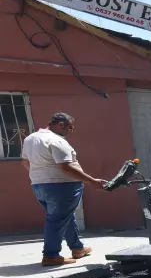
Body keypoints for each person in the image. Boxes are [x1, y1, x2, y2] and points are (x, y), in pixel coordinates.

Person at [20, 113, 108, 266]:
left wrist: (41, 176)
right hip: (62, 186)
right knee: (57, 220)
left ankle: (77, 248)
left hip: (39, 185)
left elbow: (25, 162)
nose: (71, 130)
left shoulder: (30, 139)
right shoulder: (57, 140)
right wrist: (91, 181)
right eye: (69, 127)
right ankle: (51, 255)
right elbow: (65, 167)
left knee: (65, 217)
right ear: (60, 124)